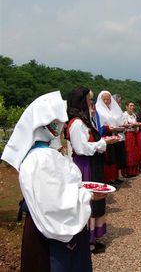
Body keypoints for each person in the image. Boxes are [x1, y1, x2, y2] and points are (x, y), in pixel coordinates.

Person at [1, 91, 99, 271]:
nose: (62, 126)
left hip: (38, 228)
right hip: (51, 238)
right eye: (59, 122)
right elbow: (57, 207)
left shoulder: (37, 155)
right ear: (47, 126)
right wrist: (87, 196)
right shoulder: (43, 159)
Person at [67, 87, 114, 254]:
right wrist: (104, 144)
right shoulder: (77, 123)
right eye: (88, 100)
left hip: (91, 162)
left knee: (95, 200)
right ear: (82, 102)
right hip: (85, 165)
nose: (91, 103)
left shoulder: (83, 121)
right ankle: (86, 240)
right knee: (88, 200)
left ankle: (92, 236)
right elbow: (81, 148)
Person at [95, 90, 126, 184]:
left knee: (116, 157)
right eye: (104, 99)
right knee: (108, 158)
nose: (106, 101)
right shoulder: (98, 109)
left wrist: (121, 126)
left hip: (116, 135)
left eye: (108, 99)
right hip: (106, 136)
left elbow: (120, 120)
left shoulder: (114, 109)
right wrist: (108, 128)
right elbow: (98, 125)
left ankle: (115, 176)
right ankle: (108, 179)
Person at [123, 100, 141, 176]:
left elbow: (136, 125)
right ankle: (127, 172)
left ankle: (133, 171)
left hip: (134, 134)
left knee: (134, 152)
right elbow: (123, 125)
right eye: (130, 106)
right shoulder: (124, 115)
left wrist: (136, 125)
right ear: (126, 106)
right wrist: (131, 125)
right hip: (127, 134)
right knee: (128, 153)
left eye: (133, 106)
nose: (132, 107)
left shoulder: (134, 115)